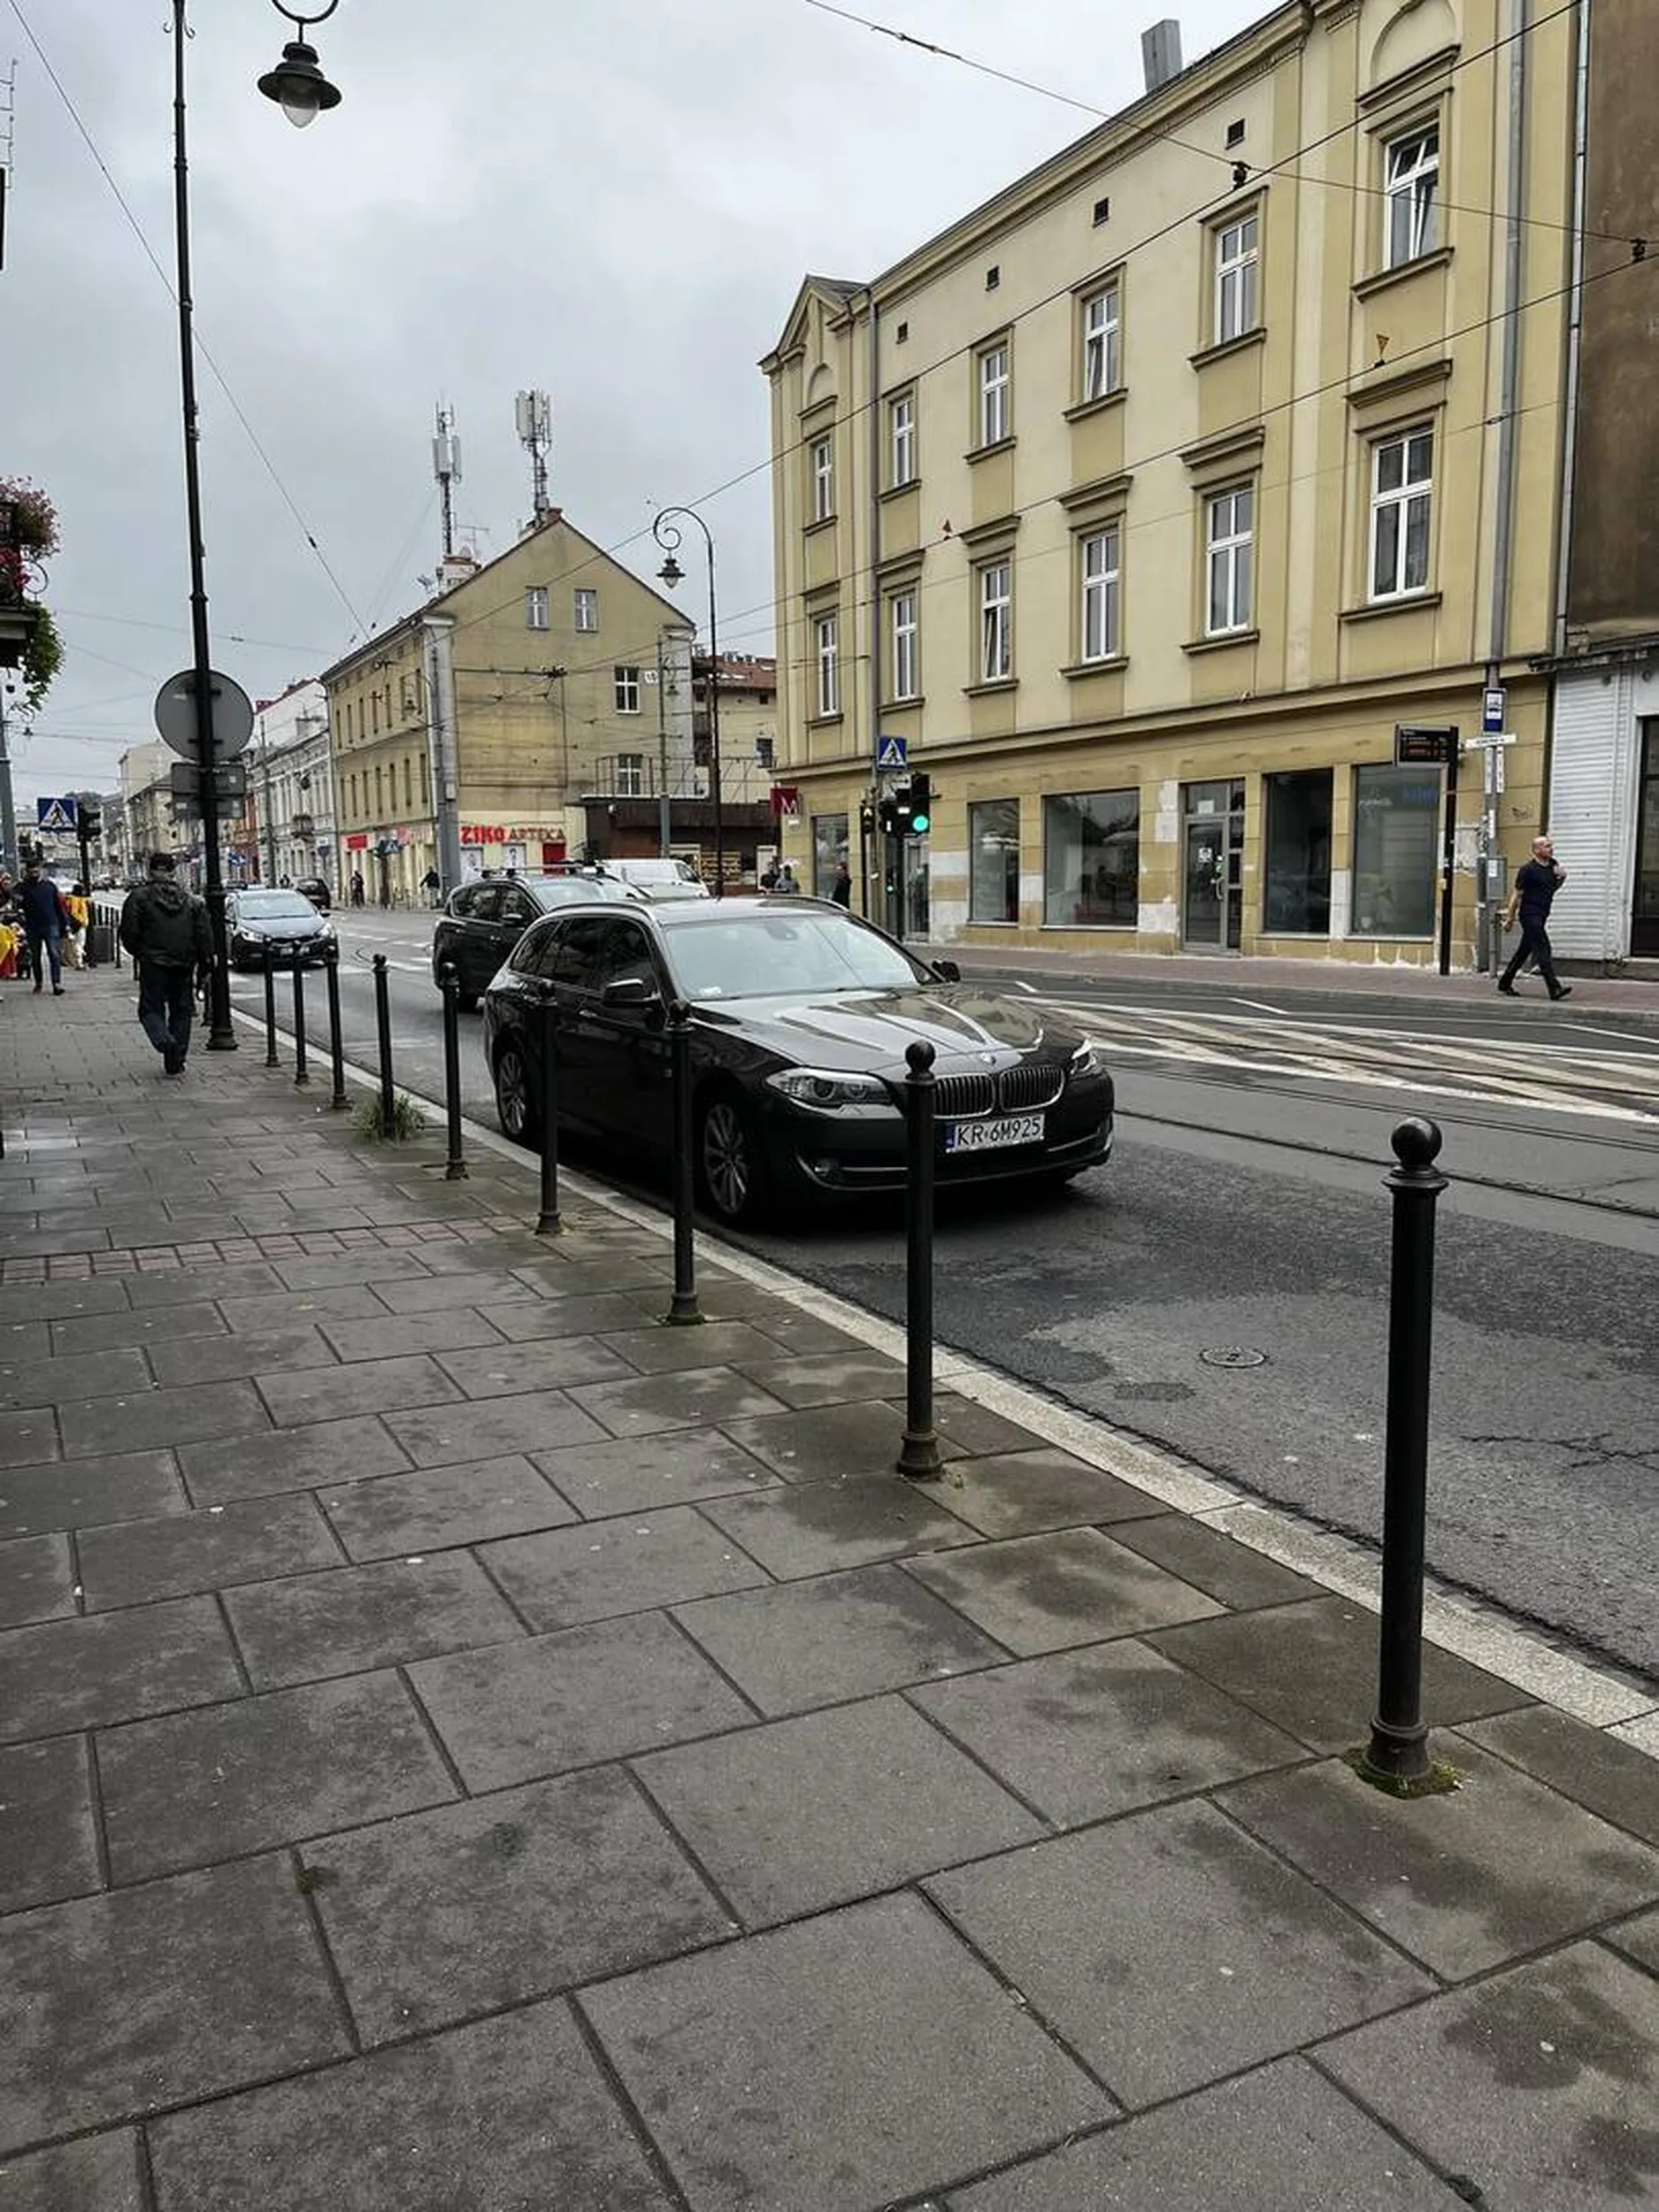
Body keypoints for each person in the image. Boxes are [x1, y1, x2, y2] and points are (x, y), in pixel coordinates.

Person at [119, 851, 212, 1076]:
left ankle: (164, 1041)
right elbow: (204, 937)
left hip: (153, 962)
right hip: (183, 963)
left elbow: (129, 932)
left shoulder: (138, 898)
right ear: (172, 871)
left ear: (150, 870)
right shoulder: (192, 902)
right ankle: (176, 1060)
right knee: (181, 1009)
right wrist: (205, 966)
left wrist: (140, 953)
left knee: (150, 1008)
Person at [1499, 833, 1571, 1002]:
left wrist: (1562, 878)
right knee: (1543, 948)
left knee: (1524, 951)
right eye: (1547, 846)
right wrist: (1510, 919)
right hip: (1529, 914)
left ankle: (1505, 981)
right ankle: (1554, 988)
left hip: (1543, 913)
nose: (1551, 848)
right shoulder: (1528, 870)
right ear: (1537, 850)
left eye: (1551, 845)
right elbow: (1517, 895)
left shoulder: (1553, 865)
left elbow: (1552, 888)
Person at [18, 857, 71, 995]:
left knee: (54, 954)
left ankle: (56, 983)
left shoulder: (49, 886)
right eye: (31, 872)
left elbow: (58, 906)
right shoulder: (23, 887)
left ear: (40, 870)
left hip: (50, 923)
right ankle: (39, 982)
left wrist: (65, 924)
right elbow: (15, 899)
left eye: (36, 871)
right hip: (32, 926)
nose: (34, 874)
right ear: (27, 872)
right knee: (35, 956)